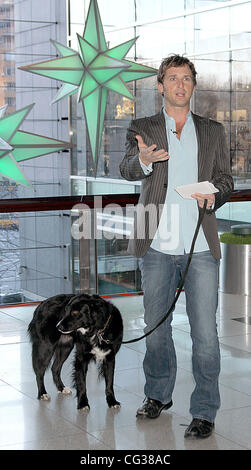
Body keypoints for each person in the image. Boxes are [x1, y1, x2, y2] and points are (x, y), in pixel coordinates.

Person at [119, 55, 233, 439]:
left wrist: (214, 195)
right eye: (172, 78)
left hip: (201, 245)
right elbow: (124, 169)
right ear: (161, 85)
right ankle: (158, 394)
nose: (179, 85)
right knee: (155, 329)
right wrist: (144, 161)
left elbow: (226, 179)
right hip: (156, 245)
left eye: (186, 78)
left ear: (194, 86)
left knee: (205, 335)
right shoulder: (143, 127)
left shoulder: (214, 130)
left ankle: (204, 410)